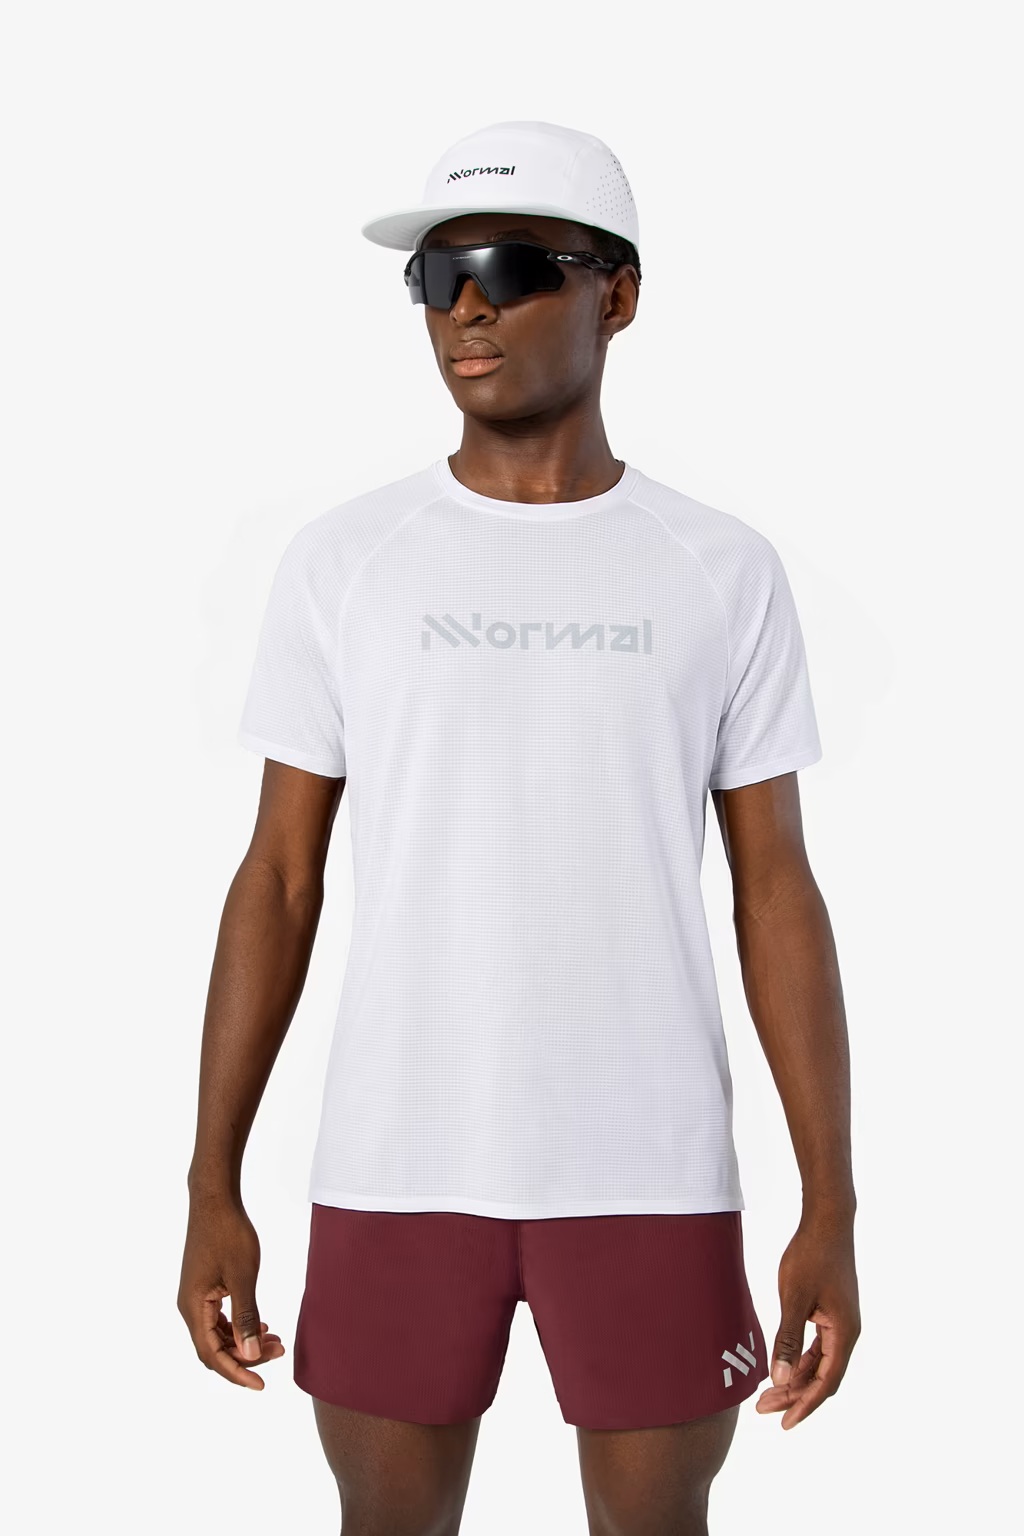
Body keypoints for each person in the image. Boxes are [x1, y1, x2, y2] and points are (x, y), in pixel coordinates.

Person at [178, 120, 860, 1534]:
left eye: (510, 268)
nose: (467, 309)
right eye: (436, 278)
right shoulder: (345, 562)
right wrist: (211, 1180)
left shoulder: (720, 570)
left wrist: (831, 1204)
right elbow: (280, 880)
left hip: (651, 1165)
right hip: (397, 1157)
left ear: (620, 293)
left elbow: (777, 892)